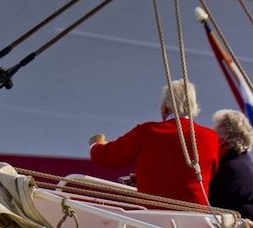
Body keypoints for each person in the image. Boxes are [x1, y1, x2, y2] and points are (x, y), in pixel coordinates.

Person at [89, 80, 219, 205]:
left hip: (152, 213)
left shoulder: (148, 132)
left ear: (166, 107)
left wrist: (96, 144)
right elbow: (207, 174)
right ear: (193, 106)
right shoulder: (211, 137)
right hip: (196, 215)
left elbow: (108, 157)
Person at [209, 109, 253, 218]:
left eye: (216, 132)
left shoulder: (230, 168)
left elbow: (217, 206)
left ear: (226, 137)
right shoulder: (245, 161)